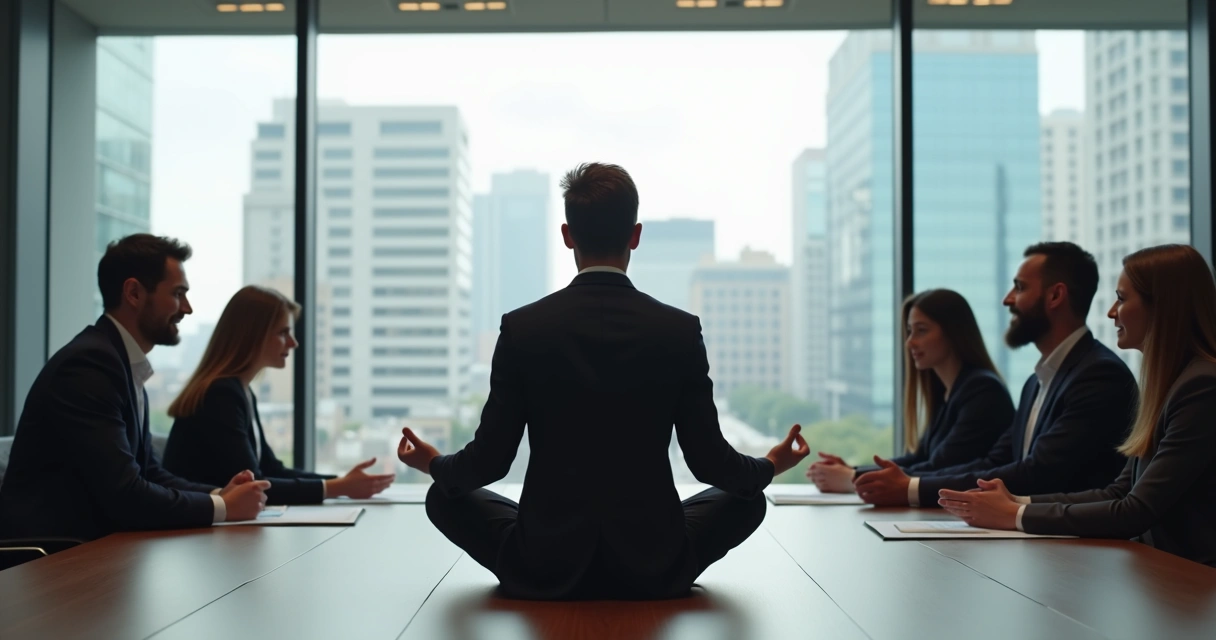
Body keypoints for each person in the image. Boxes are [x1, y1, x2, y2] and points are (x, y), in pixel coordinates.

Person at [396, 163, 809, 600]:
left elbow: (491, 461)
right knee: (748, 497)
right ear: (635, 235)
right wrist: (769, 466)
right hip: (653, 565)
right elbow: (709, 462)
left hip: (544, 564)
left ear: (567, 235)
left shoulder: (523, 328)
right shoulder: (678, 330)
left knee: (445, 496)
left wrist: (433, 465)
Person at [939, 245, 1216, 567]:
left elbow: (1135, 511)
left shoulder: (1201, 386)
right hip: (1163, 578)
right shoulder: (1172, 384)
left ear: (1164, 307)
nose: (1112, 312)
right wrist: (1016, 500)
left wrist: (1015, 514)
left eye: (1122, 299)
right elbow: (1118, 491)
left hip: (1193, 588)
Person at [0, 235, 269, 542]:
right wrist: (222, 507)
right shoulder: (89, 366)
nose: (188, 308)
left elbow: (150, 473)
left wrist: (222, 493)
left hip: (94, 552)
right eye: (178, 293)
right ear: (134, 293)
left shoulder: (119, 363)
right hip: (53, 562)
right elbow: (126, 494)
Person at [854, 242, 1137, 507]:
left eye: (1019, 287)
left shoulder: (1099, 375)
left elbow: (1038, 473)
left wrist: (912, 489)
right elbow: (995, 461)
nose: (1007, 299)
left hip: (1077, 550)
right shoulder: (1035, 383)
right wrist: (910, 485)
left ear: (1055, 296)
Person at [163, 286, 394, 505]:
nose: (293, 343)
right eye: (283, 333)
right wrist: (337, 487)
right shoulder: (220, 395)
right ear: (253, 336)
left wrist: (342, 482)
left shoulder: (239, 391)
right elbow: (255, 486)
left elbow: (271, 469)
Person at [808, 289, 1013, 492]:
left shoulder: (983, 391)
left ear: (953, 333)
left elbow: (942, 467)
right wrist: (851, 470)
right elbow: (920, 458)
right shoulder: (948, 391)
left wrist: (854, 478)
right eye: (910, 331)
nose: (910, 342)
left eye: (921, 330)